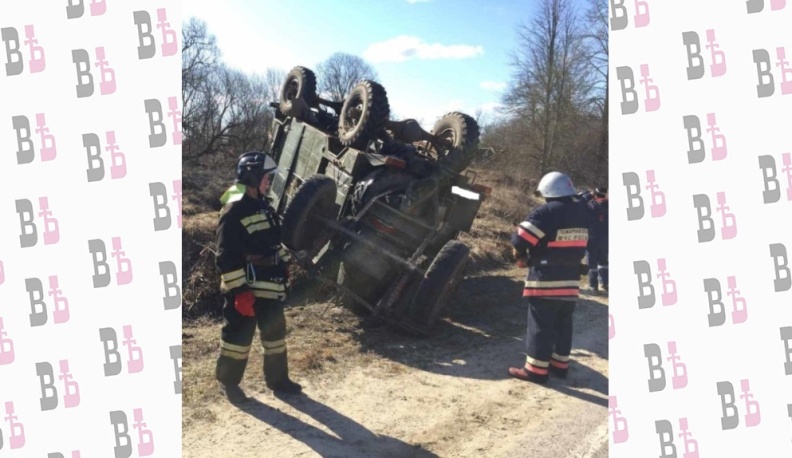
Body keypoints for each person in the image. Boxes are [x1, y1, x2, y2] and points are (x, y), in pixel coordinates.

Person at [214, 151, 302, 403]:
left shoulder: (263, 204)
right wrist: (239, 291)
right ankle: (228, 383)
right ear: (252, 176)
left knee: (275, 336)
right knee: (237, 339)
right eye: (266, 177)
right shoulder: (234, 207)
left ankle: (278, 380)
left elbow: (274, 242)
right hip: (247, 288)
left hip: (270, 284)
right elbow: (225, 254)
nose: (269, 182)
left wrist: (283, 264)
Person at [508, 171, 590, 384]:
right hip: (571, 282)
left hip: (546, 281)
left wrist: (521, 254)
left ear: (547, 191)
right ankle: (560, 366)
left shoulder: (546, 212)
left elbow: (521, 240)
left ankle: (535, 371)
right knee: (563, 324)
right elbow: (583, 248)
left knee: (541, 326)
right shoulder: (582, 212)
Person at [585, 187, 609, 293]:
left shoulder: (591, 205)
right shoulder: (609, 205)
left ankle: (593, 285)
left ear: (595, 194)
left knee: (592, 262)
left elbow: (580, 203)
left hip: (592, 238)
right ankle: (604, 283)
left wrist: (588, 194)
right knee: (603, 261)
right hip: (606, 238)